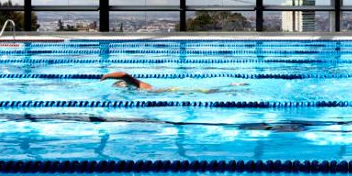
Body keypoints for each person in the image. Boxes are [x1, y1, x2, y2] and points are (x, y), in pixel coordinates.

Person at [100, 71, 248, 95]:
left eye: (119, 84)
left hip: (172, 90)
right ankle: (229, 87)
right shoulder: (137, 89)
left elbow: (124, 75)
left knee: (205, 92)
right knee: (204, 91)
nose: (120, 85)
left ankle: (231, 87)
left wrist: (106, 76)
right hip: (169, 91)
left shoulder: (138, 85)